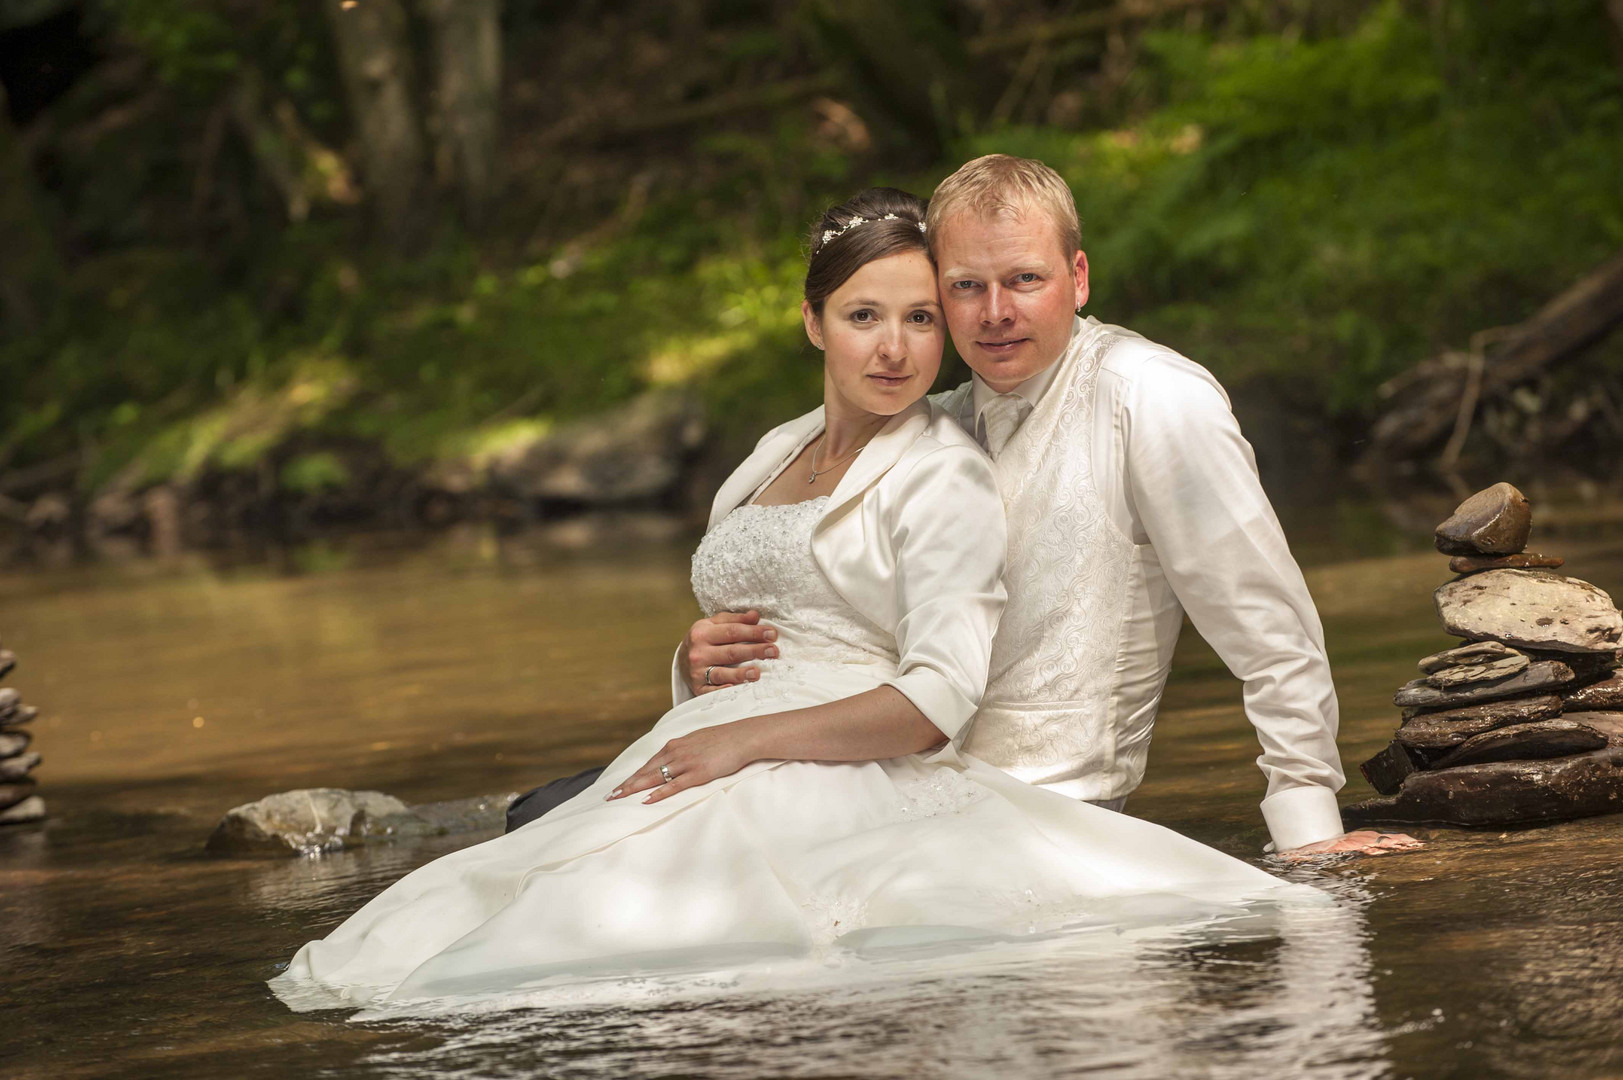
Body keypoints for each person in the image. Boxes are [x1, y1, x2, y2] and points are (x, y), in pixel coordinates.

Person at [272, 188, 1297, 1012]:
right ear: (812, 322)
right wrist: (692, 666)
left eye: (919, 319)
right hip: (750, 744)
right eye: (869, 316)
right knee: (522, 869)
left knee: (605, 943)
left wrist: (1303, 817)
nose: (901, 345)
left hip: (874, 763)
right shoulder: (782, 449)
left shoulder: (984, 449)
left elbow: (950, 680)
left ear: (1075, 277)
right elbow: (802, 614)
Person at [670, 156, 1419, 859]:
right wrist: (708, 662)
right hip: (887, 798)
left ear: (1078, 276)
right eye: (965, 287)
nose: (995, 313)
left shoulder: (1150, 398)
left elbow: (1265, 623)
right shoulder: (931, 420)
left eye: (1024, 279)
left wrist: (1307, 822)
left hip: (1049, 819)